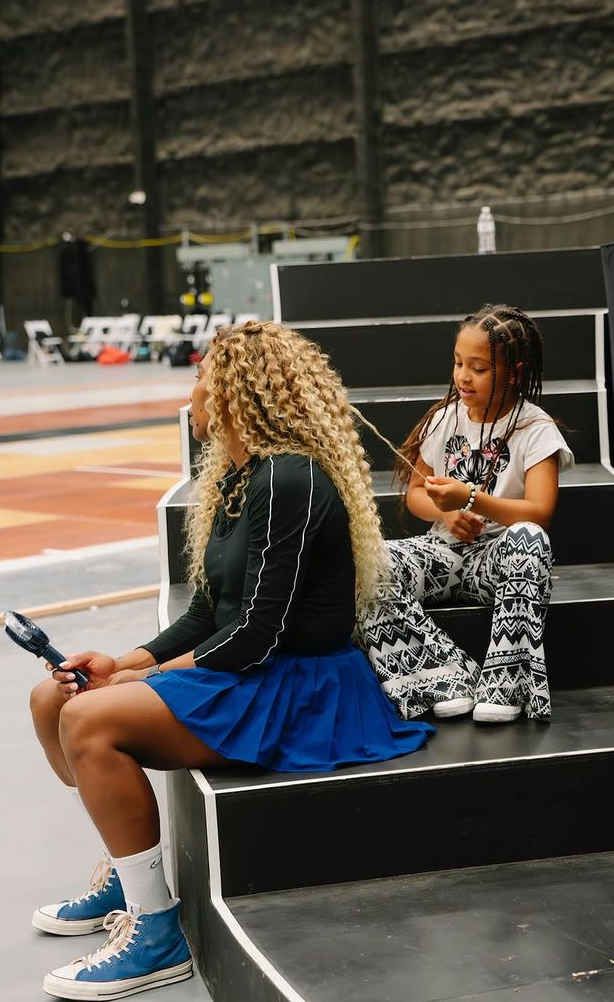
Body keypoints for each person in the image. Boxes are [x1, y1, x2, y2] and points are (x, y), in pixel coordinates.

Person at [28, 321, 433, 1000]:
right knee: (53, 699)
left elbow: (258, 635)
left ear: (239, 392)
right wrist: (120, 659)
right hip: (251, 671)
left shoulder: (292, 481)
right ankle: (126, 878)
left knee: (89, 722)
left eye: (200, 378)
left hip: (298, 691)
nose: (190, 394)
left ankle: (155, 937)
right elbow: (206, 612)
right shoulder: (237, 481)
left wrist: (140, 678)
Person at [356, 303, 573, 724]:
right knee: (366, 562)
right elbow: (418, 493)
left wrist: (469, 499)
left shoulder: (535, 428)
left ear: (513, 372)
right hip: (444, 553)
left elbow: (540, 511)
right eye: (458, 363)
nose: (462, 376)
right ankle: (440, 677)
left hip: (497, 563)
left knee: (531, 540)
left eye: (478, 368)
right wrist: (449, 512)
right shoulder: (444, 419)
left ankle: (503, 683)